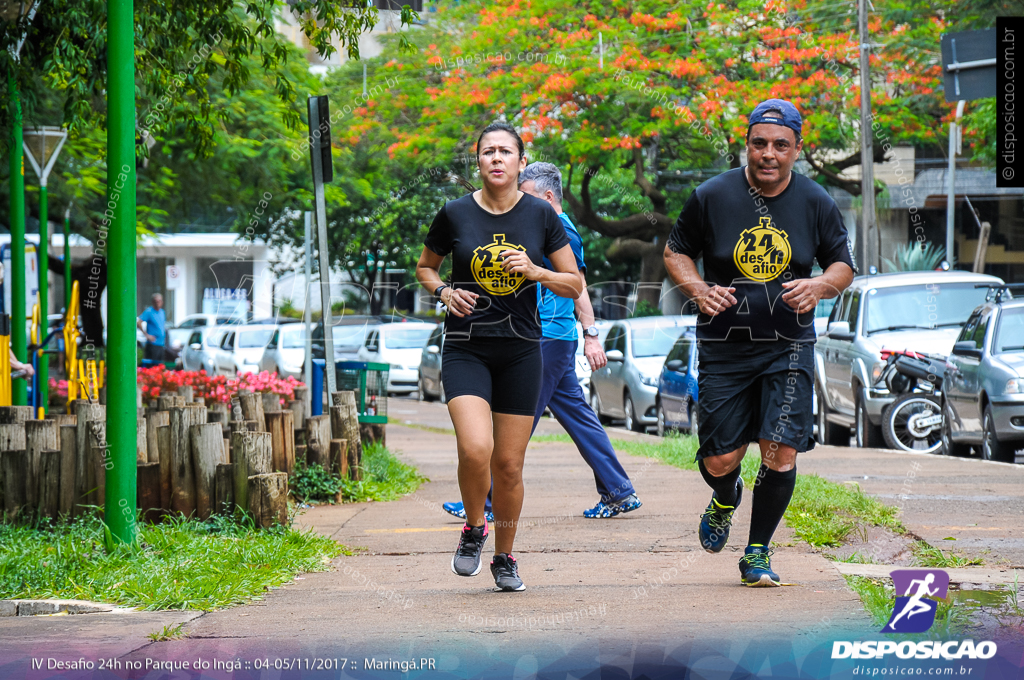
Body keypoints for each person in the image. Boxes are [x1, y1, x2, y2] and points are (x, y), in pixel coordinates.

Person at [663, 98, 855, 587]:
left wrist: (819, 286)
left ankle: (757, 551)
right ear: (746, 144)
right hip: (725, 347)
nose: (768, 154)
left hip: (788, 347)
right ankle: (726, 495)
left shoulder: (816, 202)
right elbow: (676, 251)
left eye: (780, 145)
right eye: (759, 144)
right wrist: (699, 289)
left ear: (797, 149)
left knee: (780, 451)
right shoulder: (711, 195)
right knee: (719, 459)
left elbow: (842, 265)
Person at [415, 121, 583, 592]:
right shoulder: (454, 214)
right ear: (479, 161)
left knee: (508, 465)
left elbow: (574, 283)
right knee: (475, 449)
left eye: (505, 151)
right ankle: (473, 529)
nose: (496, 158)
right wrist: (444, 291)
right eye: (487, 151)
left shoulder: (540, 217)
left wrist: (535, 270)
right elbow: (426, 267)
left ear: (520, 162)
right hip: (467, 347)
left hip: (521, 350)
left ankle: (504, 557)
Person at [440, 161, 641, 521]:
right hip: (553, 337)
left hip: (546, 335)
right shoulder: (548, 224)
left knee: (515, 421)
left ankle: (484, 503)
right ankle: (618, 490)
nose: (519, 203)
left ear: (548, 197)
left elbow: (577, 285)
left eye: (527, 195)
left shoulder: (559, 227)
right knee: (577, 415)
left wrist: (591, 335)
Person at [137, 293, 167, 363]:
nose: (157, 303)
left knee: (160, 366)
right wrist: (146, 335)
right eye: (156, 301)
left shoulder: (162, 312)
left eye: (159, 301)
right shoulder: (149, 311)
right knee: (151, 367)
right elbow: (138, 322)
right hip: (153, 344)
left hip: (161, 344)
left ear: (162, 302)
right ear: (153, 302)